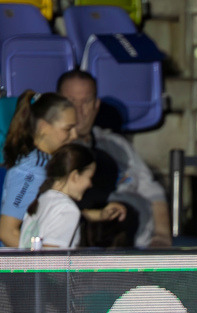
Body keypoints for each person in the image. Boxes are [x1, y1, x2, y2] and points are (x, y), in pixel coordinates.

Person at [57, 70, 172, 249]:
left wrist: (163, 236)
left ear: (96, 105)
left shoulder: (115, 144)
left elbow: (153, 192)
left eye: (86, 102)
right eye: (71, 101)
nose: (79, 111)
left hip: (142, 243)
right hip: (93, 247)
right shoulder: (54, 152)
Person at [1, 92, 78, 248]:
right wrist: (42, 267)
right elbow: (6, 231)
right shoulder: (31, 171)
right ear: (43, 127)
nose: (75, 135)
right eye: (68, 129)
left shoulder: (47, 163)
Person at [18, 144, 96, 249]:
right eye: (89, 177)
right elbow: (52, 260)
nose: (90, 184)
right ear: (75, 176)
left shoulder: (41, 201)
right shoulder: (67, 209)